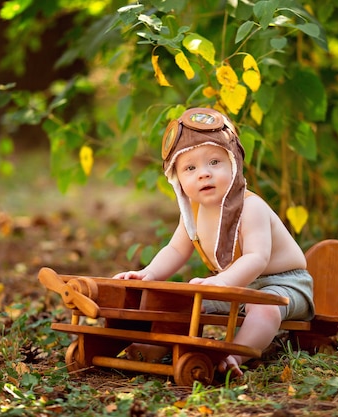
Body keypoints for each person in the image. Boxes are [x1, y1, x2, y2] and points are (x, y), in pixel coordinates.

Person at [113, 107, 315, 377]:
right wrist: (148, 273)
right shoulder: (194, 212)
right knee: (185, 301)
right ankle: (162, 346)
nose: (203, 174)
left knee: (263, 307)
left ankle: (233, 356)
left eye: (214, 162)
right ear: (178, 180)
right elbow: (175, 249)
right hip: (236, 283)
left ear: (234, 164)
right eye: (190, 168)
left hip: (284, 282)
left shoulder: (250, 207)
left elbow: (257, 258)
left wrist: (220, 282)